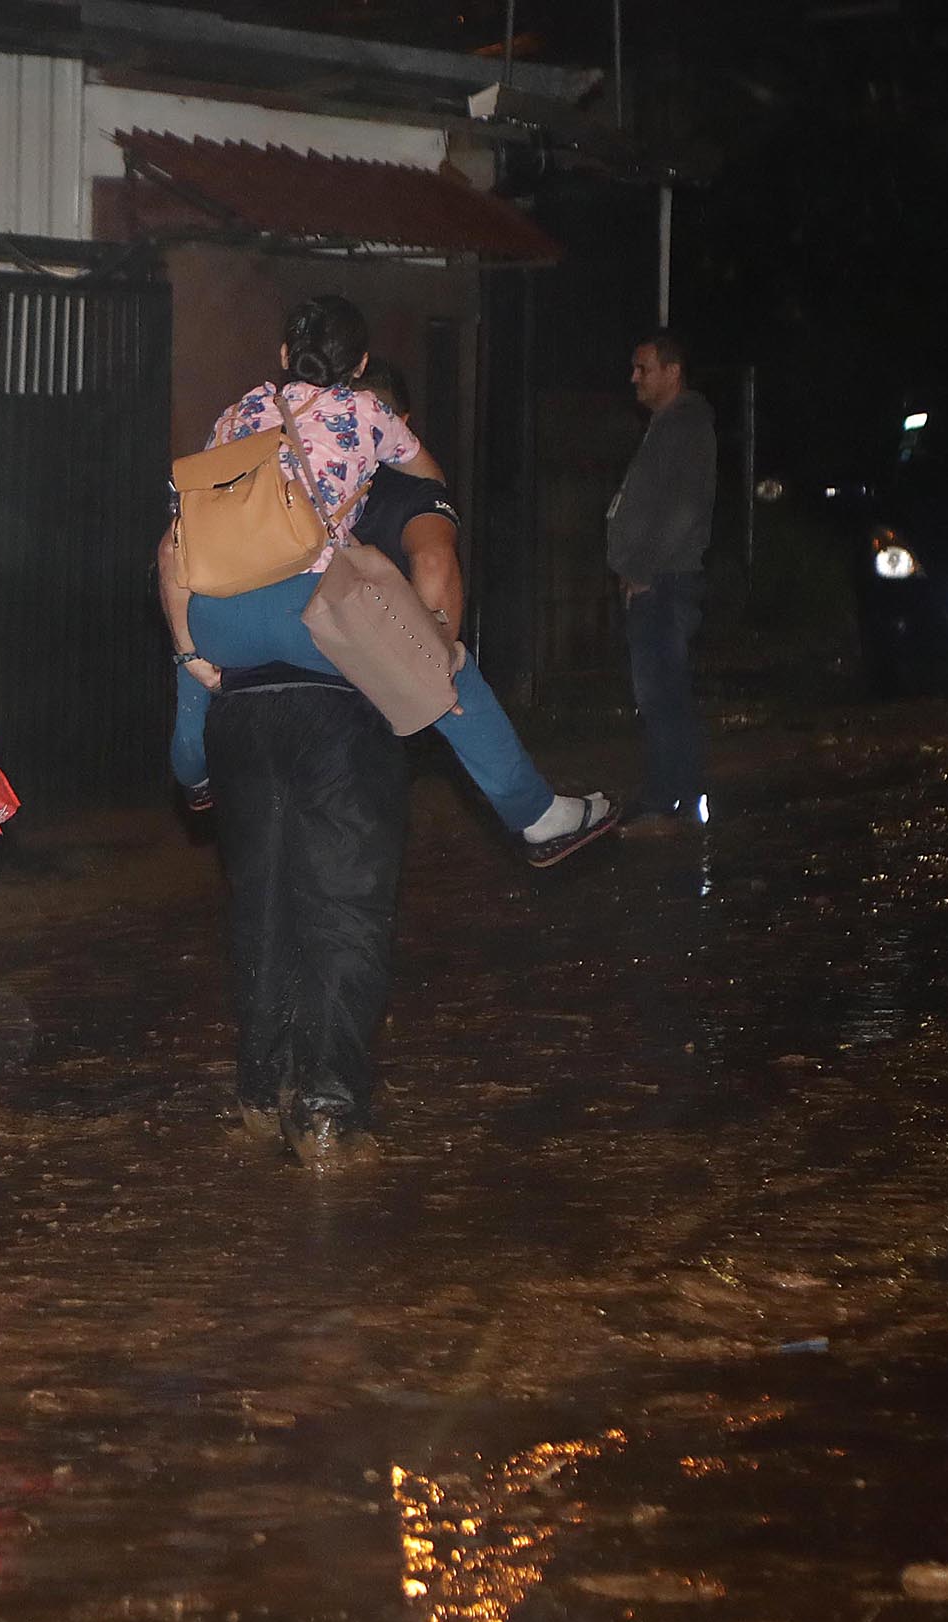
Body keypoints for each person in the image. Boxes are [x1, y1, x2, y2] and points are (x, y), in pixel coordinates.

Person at [159, 296, 417, 1166]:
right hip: (335, 689)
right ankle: (330, 1110)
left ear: (279, 353)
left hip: (240, 706)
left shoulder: (233, 422)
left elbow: (177, 549)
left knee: (262, 902)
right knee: (342, 905)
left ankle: (260, 1094)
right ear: (360, 364)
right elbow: (435, 509)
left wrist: (193, 655)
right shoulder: (373, 426)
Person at [163, 369, 611, 866]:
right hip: (325, 631)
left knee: (200, 610)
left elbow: (172, 554)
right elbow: (436, 565)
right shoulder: (404, 481)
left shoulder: (242, 440)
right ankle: (535, 813)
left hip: (223, 631)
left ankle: (191, 766)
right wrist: (429, 662)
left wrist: (188, 653)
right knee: (451, 674)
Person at [606, 330, 718, 836]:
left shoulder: (686, 426)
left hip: (666, 582)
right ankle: (670, 798)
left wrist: (643, 570)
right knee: (659, 694)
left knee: (663, 694)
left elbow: (683, 510)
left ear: (672, 372)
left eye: (643, 368)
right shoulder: (667, 426)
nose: (634, 377)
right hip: (657, 580)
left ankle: (670, 803)